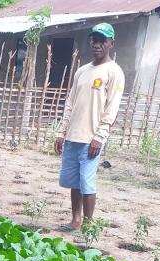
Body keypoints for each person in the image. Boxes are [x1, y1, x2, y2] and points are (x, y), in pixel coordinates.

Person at [54, 23, 125, 233]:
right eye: (94, 40)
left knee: (87, 181)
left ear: (111, 43)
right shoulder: (82, 71)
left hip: (91, 138)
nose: (97, 45)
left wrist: (99, 137)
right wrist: (61, 132)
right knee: (74, 181)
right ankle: (75, 220)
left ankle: (88, 224)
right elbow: (70, 103)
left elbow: (112, 108)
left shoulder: (114, 72)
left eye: (102, 41)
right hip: (72, 136)